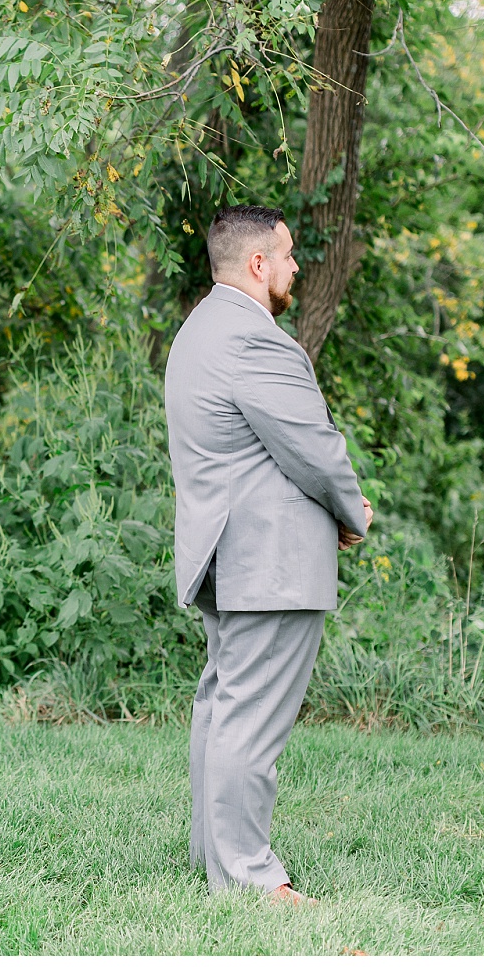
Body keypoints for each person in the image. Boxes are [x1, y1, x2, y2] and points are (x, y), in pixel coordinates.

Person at [164, 205, 373, 905]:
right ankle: (251, 878)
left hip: (230, 552)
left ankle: (216, 860)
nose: (294, 268)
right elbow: (314, 449)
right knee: (250, 722)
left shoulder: (199, 331)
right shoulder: (256, 341)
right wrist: (353, 512)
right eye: (285, 256)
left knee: (223, 707)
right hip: (269, 561)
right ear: (257, 264)